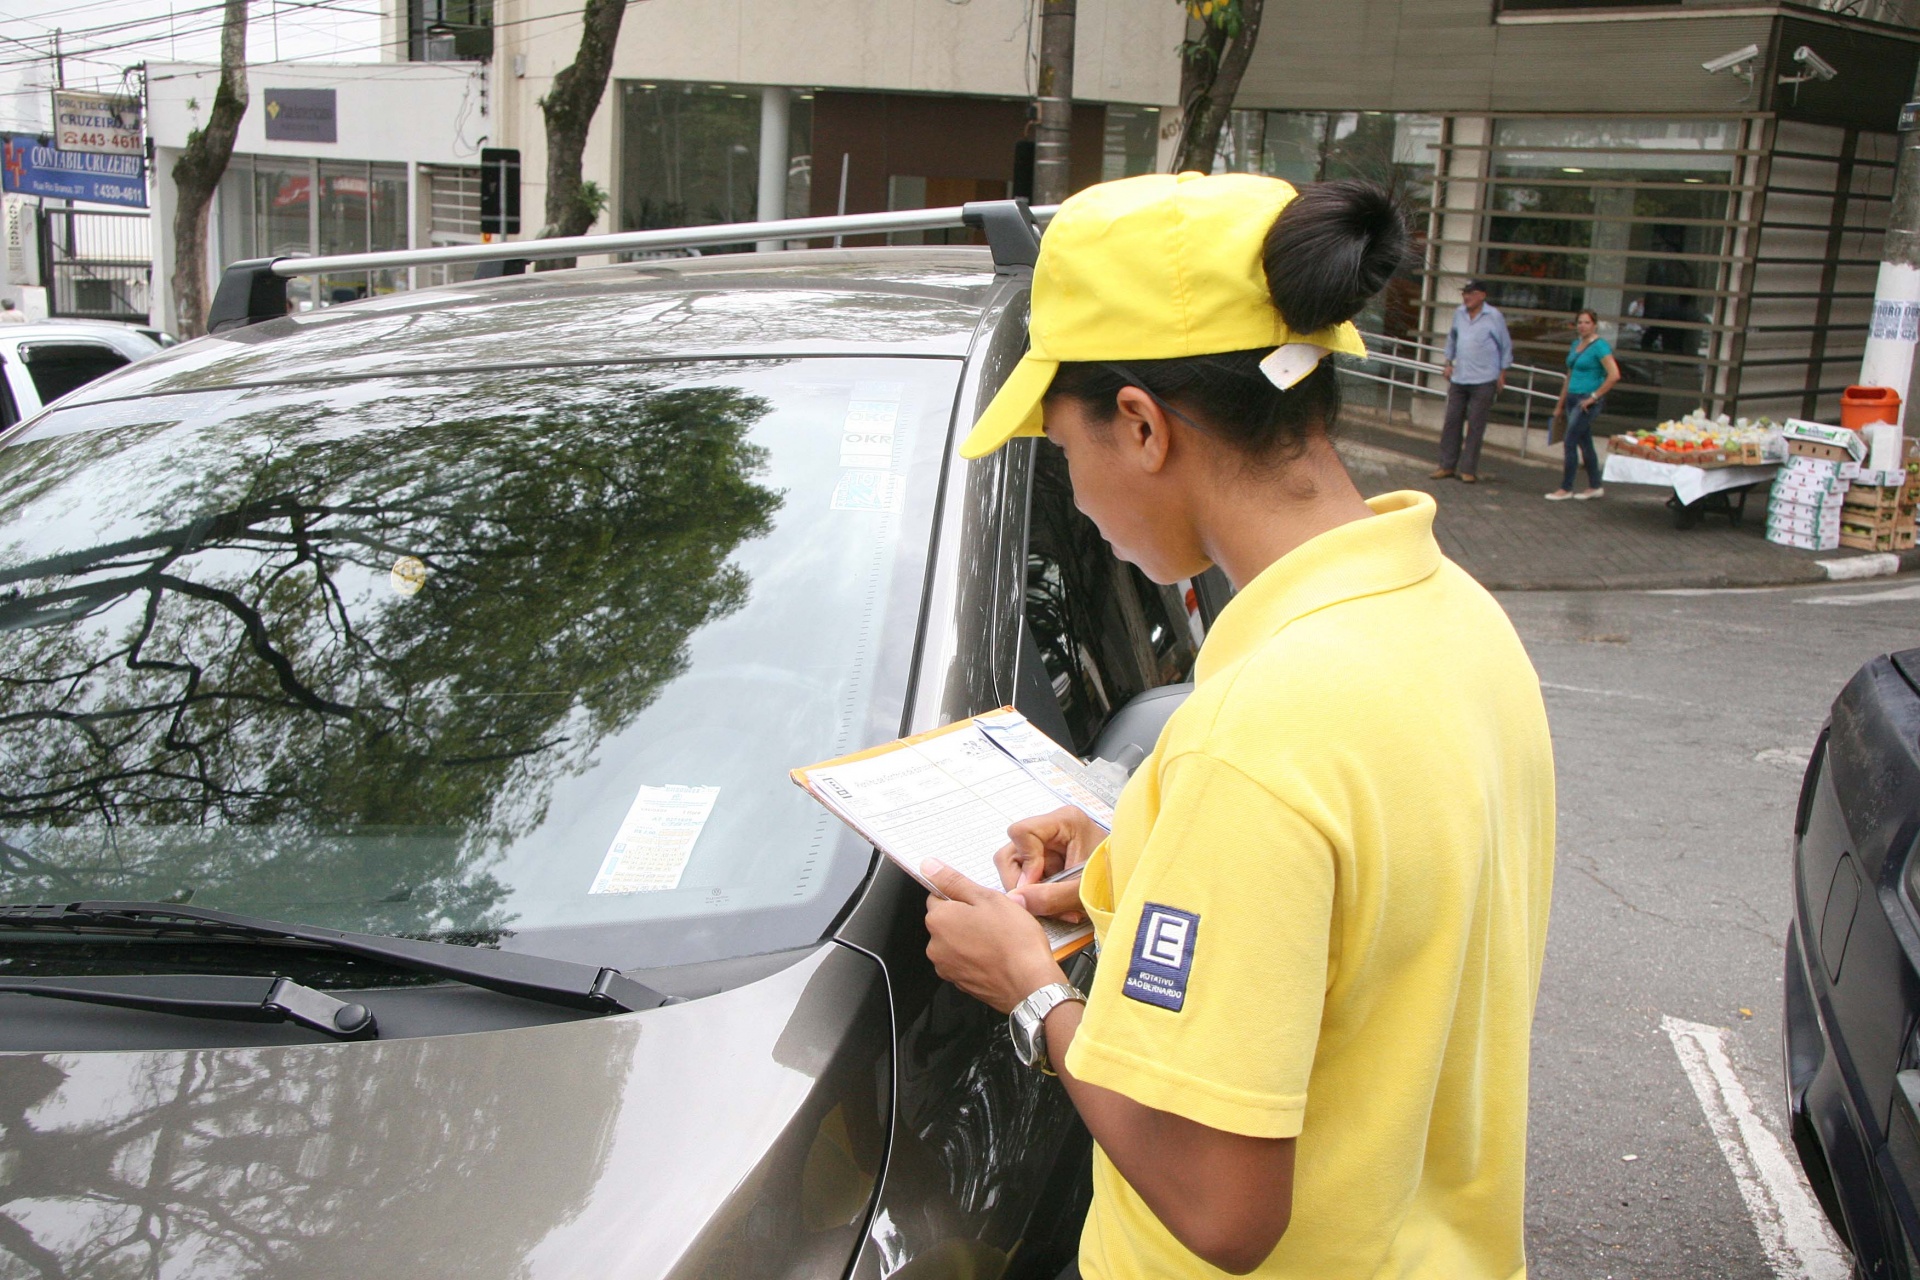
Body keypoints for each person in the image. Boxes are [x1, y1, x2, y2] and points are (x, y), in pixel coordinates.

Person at [924, 172, 1556, 1280]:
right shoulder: (1459, 618)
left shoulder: (1259, 733)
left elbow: (1223, 1206)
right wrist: (1136, 865)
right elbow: (1367, 922)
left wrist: (1032, 988)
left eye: (1063, 451)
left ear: (1140, 424)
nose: (1072, 493)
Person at [1432, 279, 1511, 484]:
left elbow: (1505, 345)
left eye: (1472, 293)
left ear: (1482, 295)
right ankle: (1446, 465)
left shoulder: (1494, 316)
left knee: (1476, 424)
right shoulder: (1459, 313)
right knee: (1452, 421)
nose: (1467, 297)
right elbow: (1452, 339)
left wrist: (1502, 372)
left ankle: (1468, 469)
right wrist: (1448, 362)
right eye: (1464, 293)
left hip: (1484, 379)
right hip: (1460, 377)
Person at [1545, 308, 1621, 501]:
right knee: (1584, 442)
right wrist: (1560, 405)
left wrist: (1594, 396)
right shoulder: (1575, 345)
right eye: (1580, 322)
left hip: (1586, 400)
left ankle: (1566, 487)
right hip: (1572, 396)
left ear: (1594, 324)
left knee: (1570, 441)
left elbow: (1614, 375)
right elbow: (1569, 377)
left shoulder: (1600, 346)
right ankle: (1595, 485)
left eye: (1587, 322)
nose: (1583, 326)